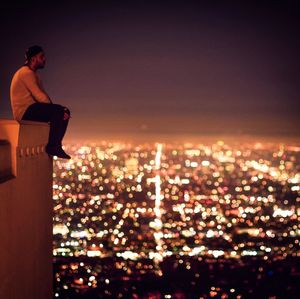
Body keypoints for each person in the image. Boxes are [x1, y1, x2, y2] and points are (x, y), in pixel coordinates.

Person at [10, 45, 71, 159]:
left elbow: (43, 99)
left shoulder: (32, 74)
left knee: (62, 111)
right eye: (41, 56)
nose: (44, 59)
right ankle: (53, 146)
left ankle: (55, 145)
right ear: (33, 59)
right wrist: (59, 112)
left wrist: (60, 111)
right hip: (24, 112)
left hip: (31, 109)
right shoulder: (26, 73)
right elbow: (41, 96)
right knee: (60, 111)